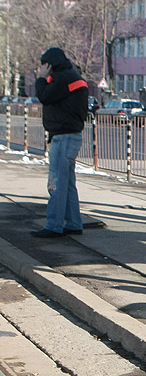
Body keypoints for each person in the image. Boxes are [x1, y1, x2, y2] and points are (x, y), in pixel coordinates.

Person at [31, 48, 90, 238]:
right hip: (71, 135)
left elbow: (44, 96)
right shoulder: (73, 77)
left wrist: (41, 78)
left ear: (49, 65)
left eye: (44, 65)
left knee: (56, 183)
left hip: (63, 137)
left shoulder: (62, 78)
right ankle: (73, 223)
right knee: (68, 183)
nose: (43, 69)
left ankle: (54, 225)